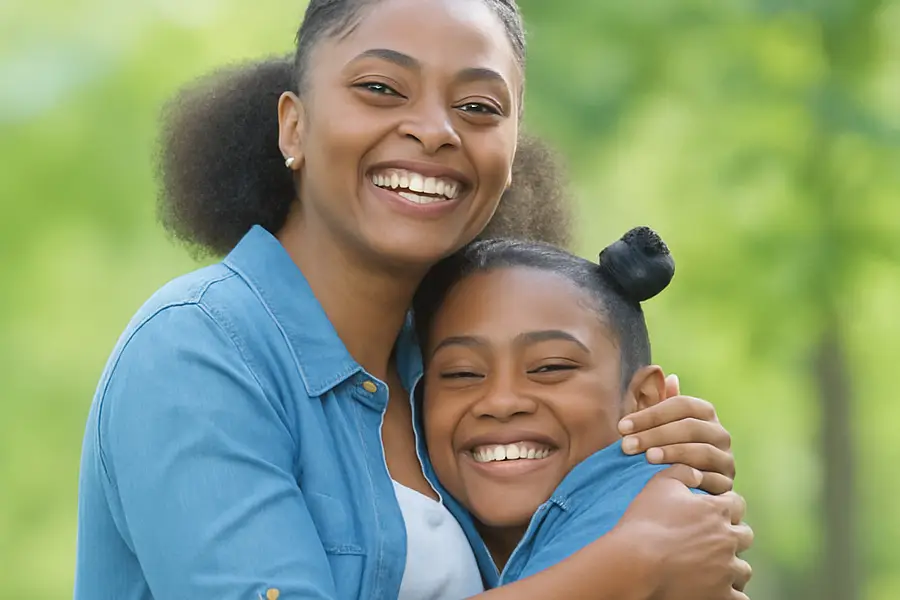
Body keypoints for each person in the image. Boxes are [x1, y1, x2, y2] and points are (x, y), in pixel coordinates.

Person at [75, 1, 752, 599]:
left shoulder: (455, 381)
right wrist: (632, 564)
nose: (434, 130)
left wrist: (654, 470)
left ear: (512, 151)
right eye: (380, 88)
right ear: (293, 127)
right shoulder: (200, 352)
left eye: (479, 107)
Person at [415, 227, 749, 592]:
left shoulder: (674, 527)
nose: (501, 402)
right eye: (461, 373)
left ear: (643, 400)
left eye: (550, 368)